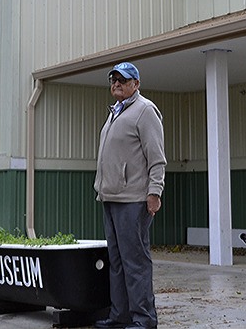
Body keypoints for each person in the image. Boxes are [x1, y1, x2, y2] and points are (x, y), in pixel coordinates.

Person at [94, 62, 166, 329]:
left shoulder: (145, 111)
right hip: (111, 198)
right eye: (113, 80)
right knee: (117, 261)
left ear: (136, 84)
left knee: (135, 262)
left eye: (122, 80)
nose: (116, 84)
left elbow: (157, 158)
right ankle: (120, 316)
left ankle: (144, 319)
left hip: (134, 199)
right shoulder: (116, 112)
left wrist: (154, 192)